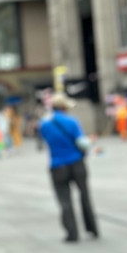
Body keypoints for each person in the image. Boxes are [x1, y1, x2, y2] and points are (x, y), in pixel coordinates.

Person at [40, 93, 99, 242]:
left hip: (57, 166)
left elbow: (47, 141)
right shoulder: (72, 121)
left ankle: (72, 234)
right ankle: (92, 229)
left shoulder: (44, 125)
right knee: (84, 196)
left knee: (64, 200)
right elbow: (81, 142)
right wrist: (91, 141)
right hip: (77, 163)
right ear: (64, 107)